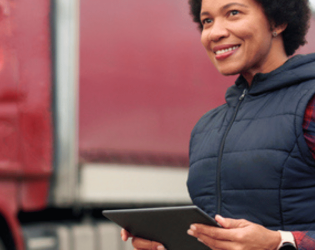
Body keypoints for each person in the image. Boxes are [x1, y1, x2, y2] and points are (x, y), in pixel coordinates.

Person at [121, 0, 315, 249]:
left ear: (277, 21)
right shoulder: (206, 127)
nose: (215, 32)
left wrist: (280, 243)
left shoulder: (309, 104)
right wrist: (172, 243)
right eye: (207, 21)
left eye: (233, 13)